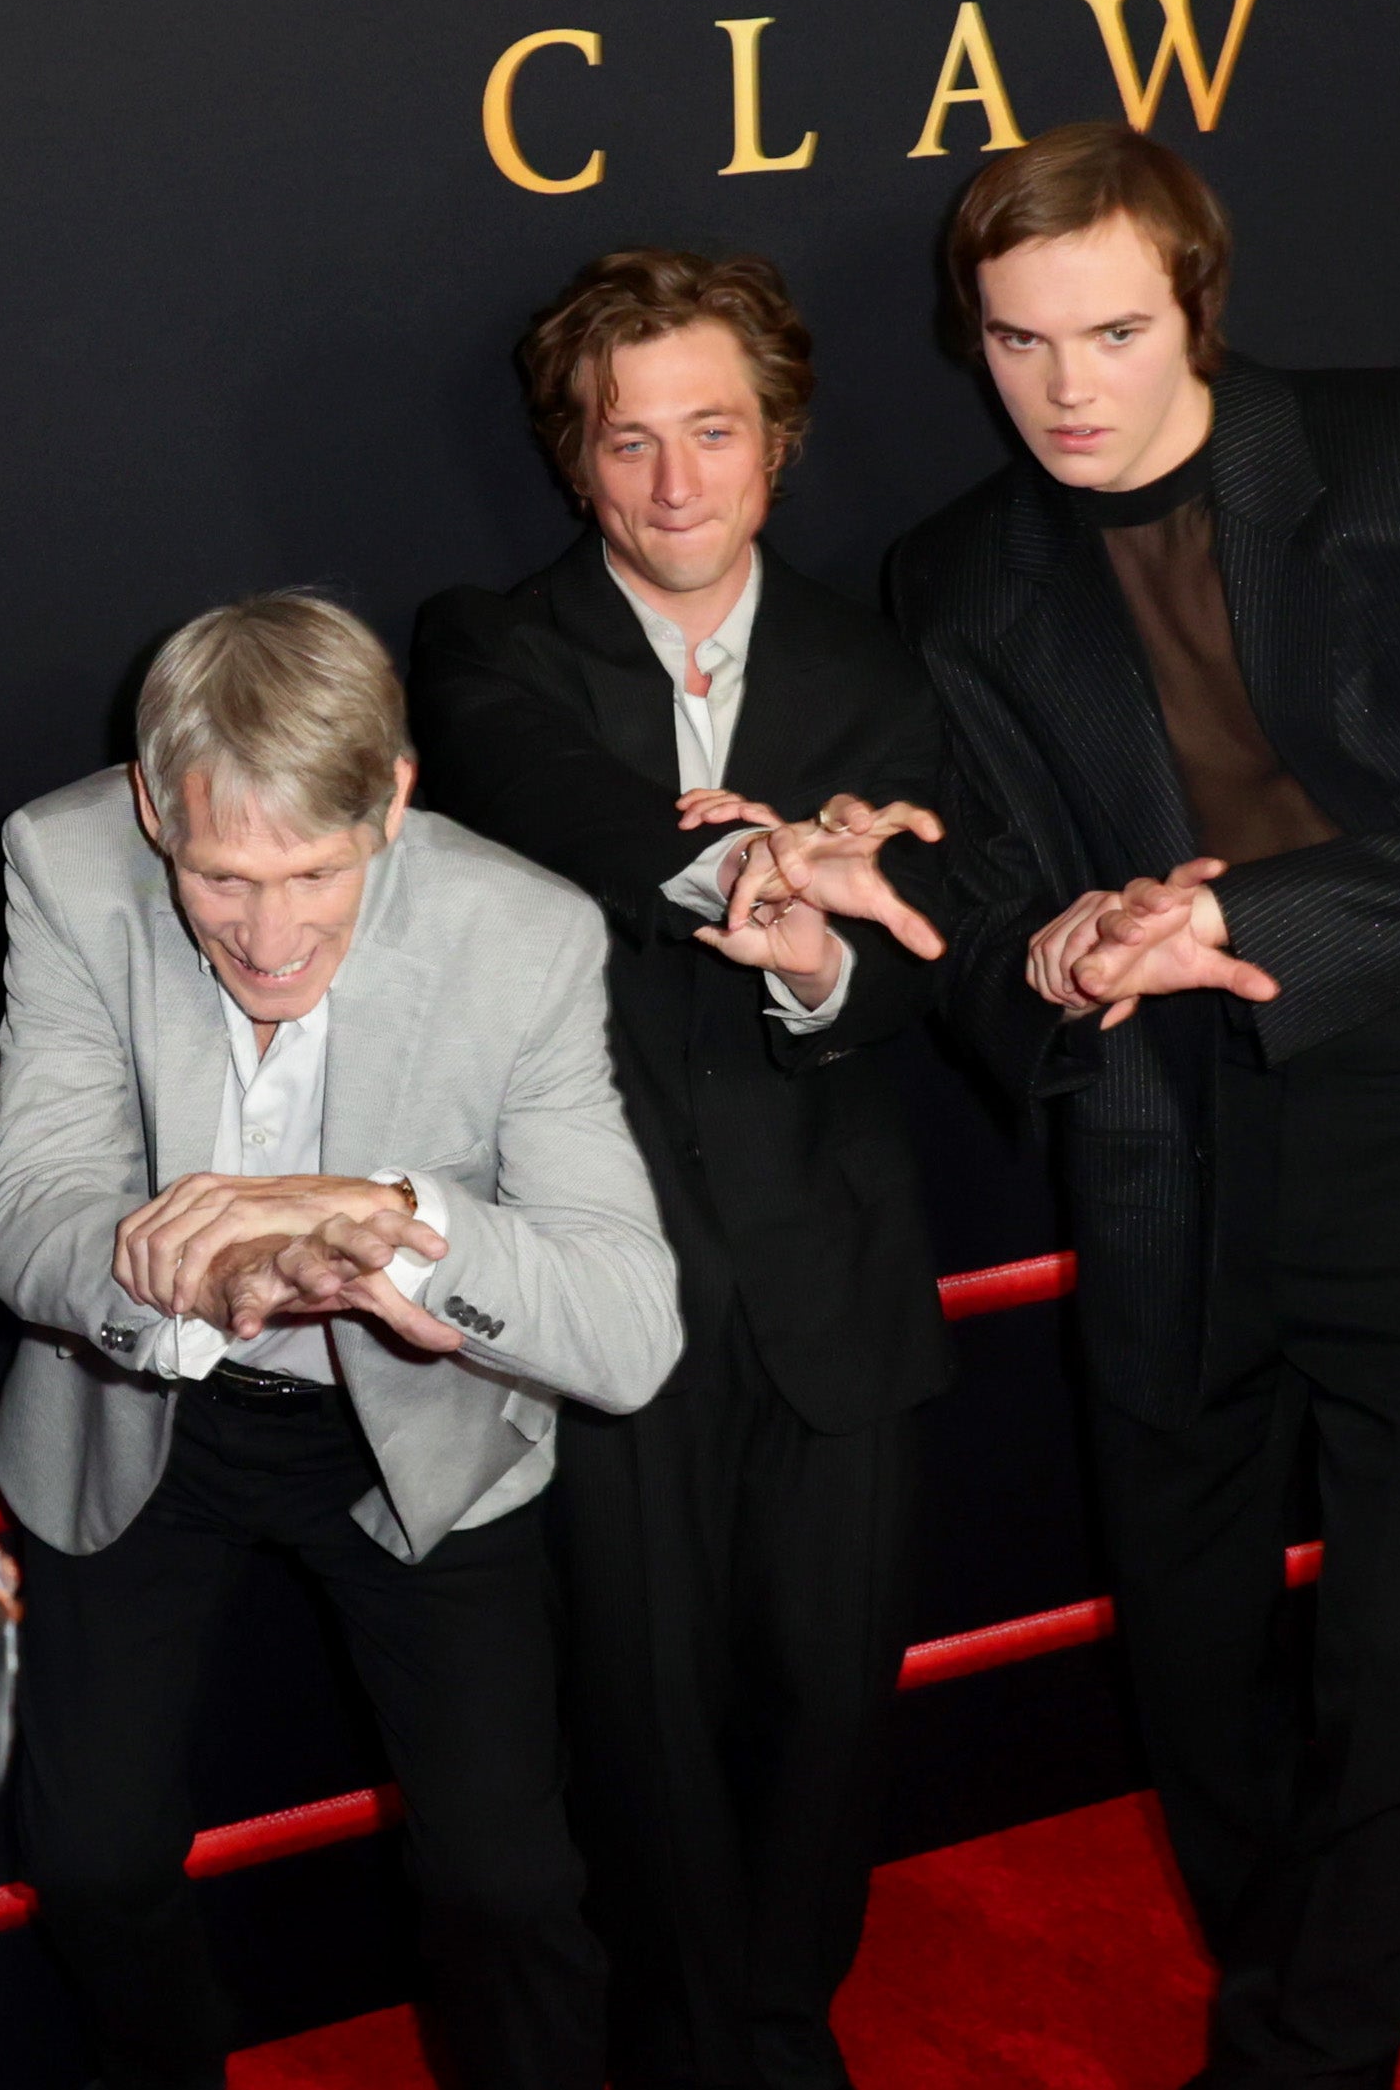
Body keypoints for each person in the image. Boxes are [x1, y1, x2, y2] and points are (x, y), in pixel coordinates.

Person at [890, 122, 1400, 2088]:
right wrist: (1049, 953)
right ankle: (1292, 1991)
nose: (1066, 390)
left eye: (1107, 330)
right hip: (1174, 1134)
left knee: (1388, 1655)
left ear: (1195, 301)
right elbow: (987, 923)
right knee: (1190, 1662)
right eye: (1015, 345)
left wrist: (1229, 909)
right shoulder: (952, 579)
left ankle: (1301, 2057)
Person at [0, 588, 681, 2090]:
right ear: (153, 808)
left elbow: (628, 1336)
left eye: (313, 869)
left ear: (394, 800)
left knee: (504, 1883)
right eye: (221, 876)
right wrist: (178, 1278)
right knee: (89, 1857)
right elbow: (25, 1208)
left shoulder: (527, 933)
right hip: (141, 1405)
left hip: (419, 1435)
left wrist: (390, 1213)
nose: (270, 931)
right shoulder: (63, 860)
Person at [409, 249, 956, 2090]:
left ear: (778, 443)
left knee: (823, 1717)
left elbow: (912, 970)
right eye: (625, 441)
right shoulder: (491, 648)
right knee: (632, 1719)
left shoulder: (877, 662)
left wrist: (818, 960)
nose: (670, 482)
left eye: (710, 432)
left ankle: (781, 2042)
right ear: (573, 460)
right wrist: (731, 873)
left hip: (836, 1287)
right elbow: (540, 788)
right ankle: (680, 2052)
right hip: (605, 1280)